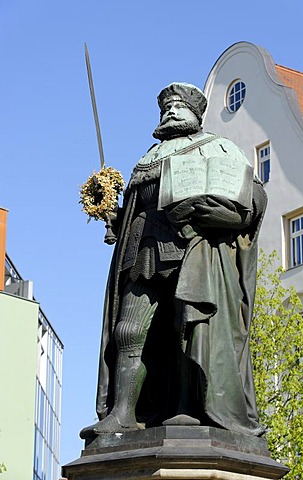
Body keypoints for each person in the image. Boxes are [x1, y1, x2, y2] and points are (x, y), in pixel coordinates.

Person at [80, 83, 267, 438]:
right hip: (141, 250)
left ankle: (187, 408)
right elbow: (142, 207)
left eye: (179, 107)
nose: (171, 111)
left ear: (197, 115)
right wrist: (117, 219)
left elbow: (251, 200)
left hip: (191, 251)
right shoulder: (149, 157)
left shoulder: (219, 148)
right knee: (128, 331)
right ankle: (122, 413)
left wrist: (212, 211)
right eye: (166, 107)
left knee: (186, 331)